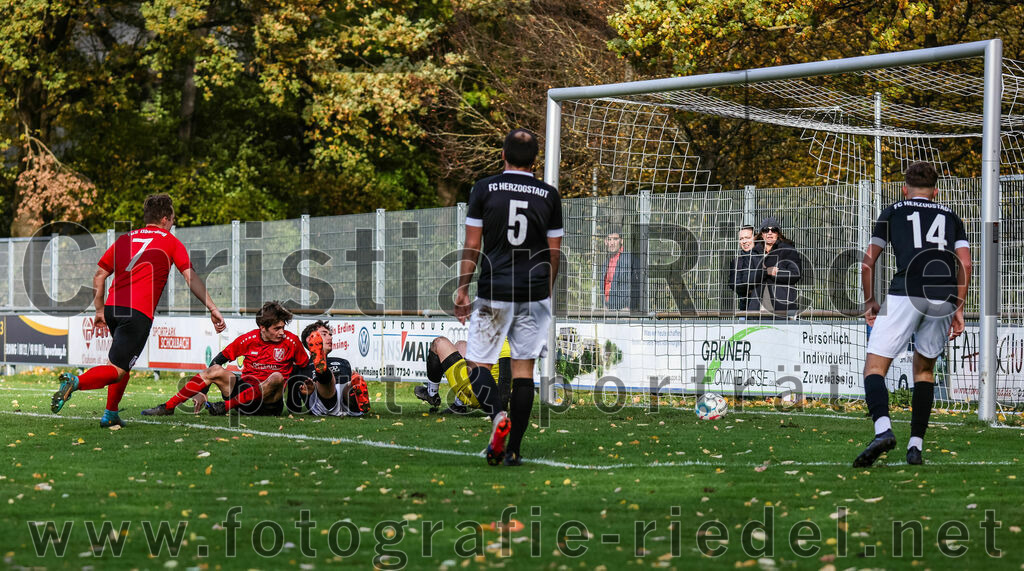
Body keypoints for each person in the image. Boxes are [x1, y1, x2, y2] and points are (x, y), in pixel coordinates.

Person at [50, 193, 226, 427]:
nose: (173, 222)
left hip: (113, 308)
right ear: (165, 219)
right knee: (117, 370)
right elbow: (190, 277)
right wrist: (212, 307)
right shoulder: (170, 241)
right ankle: (76, 382)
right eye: (173, 218)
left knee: (122, 364)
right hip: (137, 312)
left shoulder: (125, 239)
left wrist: (100, 310)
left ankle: (111, 414)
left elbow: (99, 275)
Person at [454, 128, 563, 466]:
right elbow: (554, 252)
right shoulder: (549, 195)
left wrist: (462, 288)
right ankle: (513, 450)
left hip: (495, 289)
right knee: (523, 371)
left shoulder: (484, 188)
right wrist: (547, 288)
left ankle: (498, 415)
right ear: (535, 160)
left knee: (477, 364)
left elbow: (473, 244)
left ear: (503, 155)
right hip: (534, 291)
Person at [854, 161, 970, 467]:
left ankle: (883, 430)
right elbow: (966, 264)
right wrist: (958, 307)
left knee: (874, 367)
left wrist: (870, 301)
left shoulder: (893, 211)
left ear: (905, 189)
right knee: (925, 371)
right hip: (943, 296)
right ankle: (915, 446)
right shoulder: (951, 216)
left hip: (905, 291)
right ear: (935, 191)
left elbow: (867, 263)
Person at [140, 301, 308, 417]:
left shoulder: (292, 341)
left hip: (269, 403)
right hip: (243, 400)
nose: (282, 332)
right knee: (215, 370)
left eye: (283, 327)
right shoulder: (247, 340)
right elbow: (217, 361)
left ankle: (224, 407)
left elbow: (304, 367)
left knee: (277, 377)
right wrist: (203, 391)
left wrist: (301, 394)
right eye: (277, 328)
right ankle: (168, 407)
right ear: (262, 328)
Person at [285, 320, 370, 416]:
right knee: (328, 379)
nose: (330, 337)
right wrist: (305, 394)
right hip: (323, 401)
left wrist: (353, 380)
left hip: (345, 401)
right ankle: (322, 369)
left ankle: (356, 394)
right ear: (310, 340)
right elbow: (293, 407)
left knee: (349, 386)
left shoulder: (343, 362)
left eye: (330, 335)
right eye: (324, 334)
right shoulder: (301, 368)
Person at [415, 337, 511, 414]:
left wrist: (500, 411)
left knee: (438, 343)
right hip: (483, 390)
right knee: (461, 345)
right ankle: (459, 405)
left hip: (478, 394)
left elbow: (505, 378)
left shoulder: (503, 340)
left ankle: (431, 393)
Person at [749, 217, 802, 316]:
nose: (770, 233)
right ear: (761, 234)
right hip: (757, 307)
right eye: (766, 230)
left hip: (782, 307)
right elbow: (747, 277)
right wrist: (765, 272)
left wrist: (776, 273)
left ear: (778, 233)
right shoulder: (754, 252)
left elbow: (795, 274)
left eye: (773, 230)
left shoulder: (787, 250)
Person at [727, 225, 762, 312]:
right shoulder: (736, 262)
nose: (744, 241)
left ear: (755, 238)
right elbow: (735, 285)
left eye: (747, 238)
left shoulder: (764, 257)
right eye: (741, 239)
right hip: (745, 309)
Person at [601, 228, 632, 311]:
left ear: (621, 241)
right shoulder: (605, 262)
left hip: (624, 310)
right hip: (609, 309)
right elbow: (604, 285)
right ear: (605, 242)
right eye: (609, 239)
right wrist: (604, 304)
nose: (612, 243)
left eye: (615, 239)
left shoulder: (629, 259)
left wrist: (630, 306)